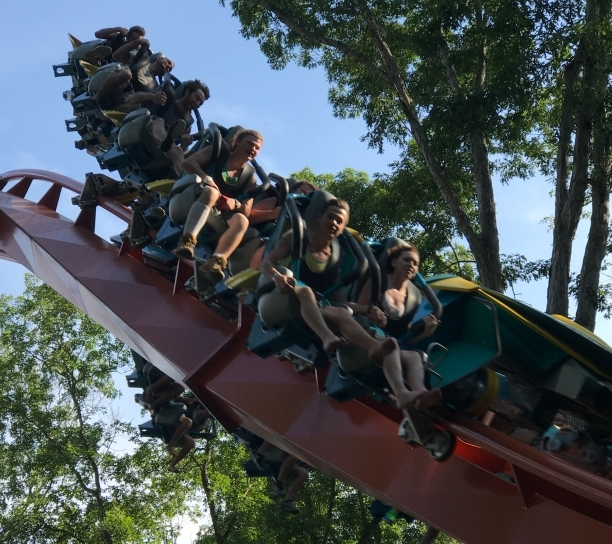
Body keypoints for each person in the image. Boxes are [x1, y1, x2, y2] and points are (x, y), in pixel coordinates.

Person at [324, 243, 442, 410]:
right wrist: (371, 311)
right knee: (391, 345)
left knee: (415, 356)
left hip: (388, 342)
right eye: (406, 260)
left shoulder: (414, 297)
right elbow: (355, 310)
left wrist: (425, 333)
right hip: (364, 336)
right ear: (394, 262)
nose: (411, 265)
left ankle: (421, 393)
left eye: (415, 263)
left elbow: (404, 337)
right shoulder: (378, 280)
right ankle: (401, 393)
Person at [257, 194, 359, 354]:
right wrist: (277, 276)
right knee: (305, 291)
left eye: (339, 221)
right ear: (320, 218)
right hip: (279, 294)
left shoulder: (336, 257)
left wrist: (367, 310)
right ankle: (327, 337)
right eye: (330, 217)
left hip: (311, 305)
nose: (333, 222)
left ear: (342, 229)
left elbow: (338, 298)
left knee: (342, 312)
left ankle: (374, 347)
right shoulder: (297, 237)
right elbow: (265, 263)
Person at [167, 128, 263, 288]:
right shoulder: (218, 152)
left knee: (242, 221)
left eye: (257, 148)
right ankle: (187, 241)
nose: (253, 149)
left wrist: (235, 203)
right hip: (192, 197)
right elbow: (188, 163)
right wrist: (206, 178)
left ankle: (217, 261)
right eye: (250, 143)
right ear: (238, 141)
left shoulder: (249, 177)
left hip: (216, 214)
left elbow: (246, 210)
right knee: (211, 192)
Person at [255, 441, 309, 513]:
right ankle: (259, 454)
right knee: (295, 452)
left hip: (284, 463)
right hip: (270, 452)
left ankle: (287, 501)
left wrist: (297, 482)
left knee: (304, 474)